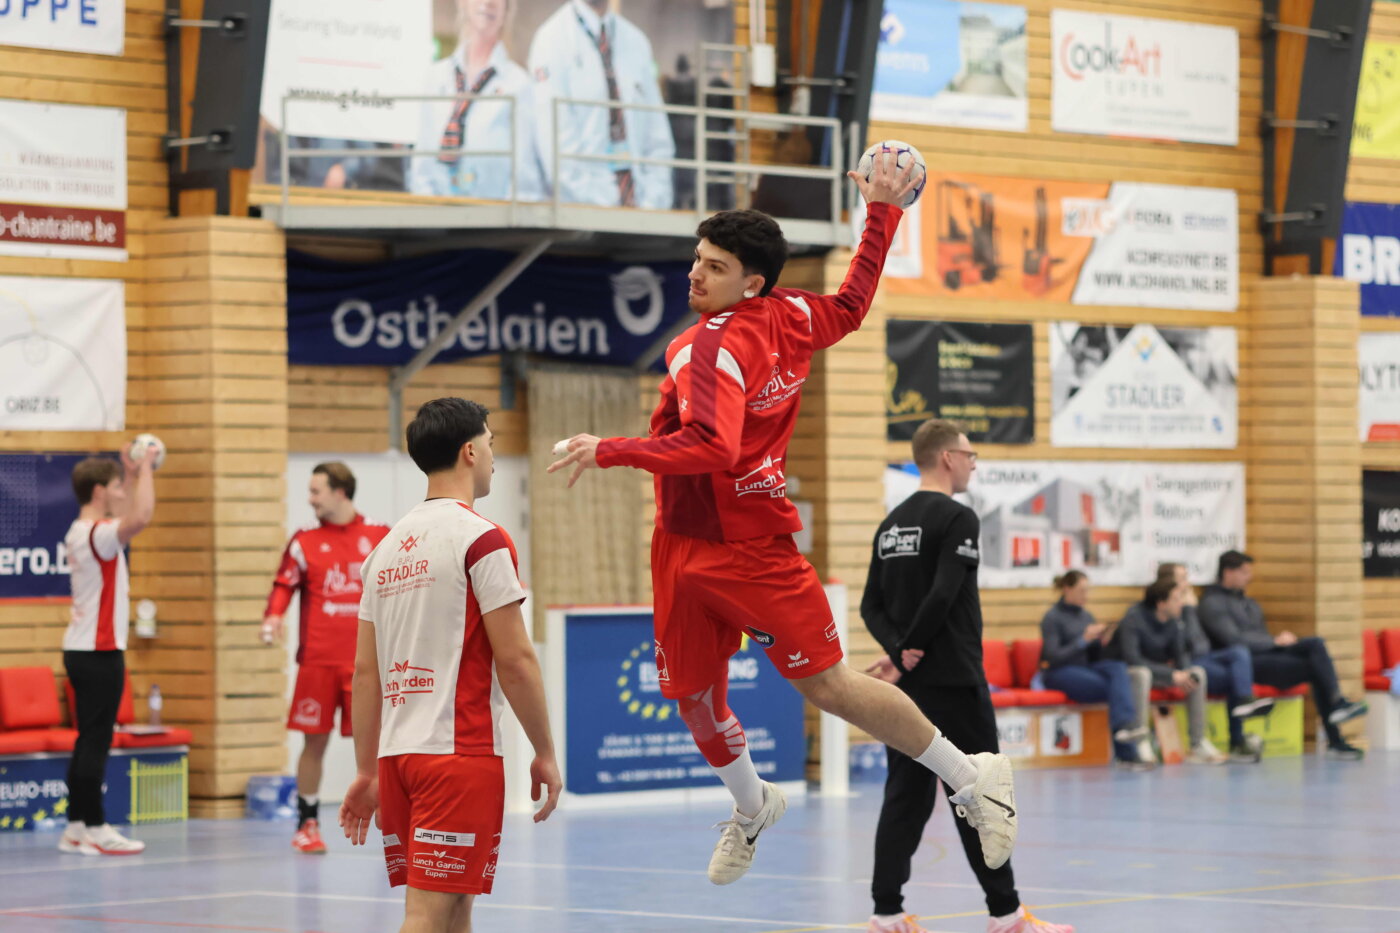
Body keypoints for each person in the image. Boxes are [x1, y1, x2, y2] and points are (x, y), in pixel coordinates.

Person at [549, 153, 1018, 888]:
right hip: (681, 542)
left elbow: (713, 446)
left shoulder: (703, 347)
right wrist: (882, 213)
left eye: (714, 267)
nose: (695, 274)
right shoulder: (790, 314)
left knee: (828, 685)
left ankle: (972, 777)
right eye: (697, 259)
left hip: (750, 547)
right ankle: (752, 804)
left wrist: (609, 449)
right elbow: (852, 305)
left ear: (752, 283)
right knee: (692, 696)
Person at [340, 397, 561, 933]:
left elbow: (365, 674)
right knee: (427, 915)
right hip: (457, 755)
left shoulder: (382, 552)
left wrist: (367, 770)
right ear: (469, 451)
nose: (494, 456)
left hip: (398, 760)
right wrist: (545, 750)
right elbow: (516, 659)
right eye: (490, 443)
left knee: (455, 910)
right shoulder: (482, 539)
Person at [860, 419, 1072, 933]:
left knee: (905, 796)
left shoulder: (891, 525)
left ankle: (885, 913)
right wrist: (910, 651)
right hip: (953, 680)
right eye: (970, 454)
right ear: (947, 457)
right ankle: (1006, 914)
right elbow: (943, 594)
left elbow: (871, 606)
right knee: (982, 794)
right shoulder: (958, 517)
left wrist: (898, 654)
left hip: (907, 689)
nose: (974, 464)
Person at [262, 463, 391, 854]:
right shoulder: (304, 540)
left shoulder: (380, 536)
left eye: (316, 491)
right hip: (317, 661)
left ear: (340, 492)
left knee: (379, 745)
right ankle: (307, 823)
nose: (310, 499)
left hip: (365, 664)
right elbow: (283, 584)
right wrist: (273, 616)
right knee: (313, 743)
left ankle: (389, 817)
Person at [57, 445, 157, 856]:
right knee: (96, 742)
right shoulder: (98, 535)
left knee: (87, 740)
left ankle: (75, 827)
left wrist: (130, 475)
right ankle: (96, 828)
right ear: (99, 491)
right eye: (116, 487)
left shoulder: (80, 531)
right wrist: (147, 468)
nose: (122, 493)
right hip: (99, 653)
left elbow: (127, 512)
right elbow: (141, 517)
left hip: (80, 650)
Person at [1198, 550, 1367, 760]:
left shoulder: (1248, 603)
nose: (1249, 577)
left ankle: (1336, 708)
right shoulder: (1212, 603)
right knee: (1315, 667)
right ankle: (1335, 725)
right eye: (1244, 572)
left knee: (1316, 646)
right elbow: (1234, 640)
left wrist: (1279, 641)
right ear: (1228, 572)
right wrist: (1274, 642)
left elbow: (1259, 635)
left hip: (1267, 654)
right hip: (1245, 664)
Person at [527, 0, 676, 209]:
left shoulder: (636, 42)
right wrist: (603, 203)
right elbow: (555, 146)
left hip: (643, 208)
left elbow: (657, 137)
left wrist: (653, 201)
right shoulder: (551, 39)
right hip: (581, 210)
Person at [409, 0, 546, 201]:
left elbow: (523, 173)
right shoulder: (436, 76)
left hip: (494, 212)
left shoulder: (519, 84)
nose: (488, 3)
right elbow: (422, 162)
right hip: (436, 209)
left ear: (506, 10)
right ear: (462, 3)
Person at [1157, 562, 1273, 763]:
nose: (1187, 583)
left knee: (1239, 652)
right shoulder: (1167, 605)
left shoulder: (1190, 604)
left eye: (1187, 578)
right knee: (1233, 679)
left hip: (1204, 656)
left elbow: (1200, 643)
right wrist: (1187, 609)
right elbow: (1187, 643)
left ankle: (1246, 701)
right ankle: (1236, 740)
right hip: (1186, 662)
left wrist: (1191, 609)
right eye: (1182, 579)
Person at [1038, 571, 1152, 768]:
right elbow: (1052, 657)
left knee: (1118, 668)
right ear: (1067, 589)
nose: (1086, 595)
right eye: (1082, 590)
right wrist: (1083, 640)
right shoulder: (1052, 617)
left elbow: (1095, 657)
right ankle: (1126, 746)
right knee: (1117, 688)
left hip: (1085, 668)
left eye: (1088, 590)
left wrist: (1101, 641)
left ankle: (1124, 728)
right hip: (1059, 672)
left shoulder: (1086, 615)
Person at [1116, 578, 1226, 764]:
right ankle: (1141, 742)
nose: (1181, 603)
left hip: (1158, 673)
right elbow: (1132, 659)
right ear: (1161, 603)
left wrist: (1185, 673)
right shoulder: (1133, 619)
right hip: (1127, 674)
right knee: (1142, 674)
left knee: (1197, 673)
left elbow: (1180, 656)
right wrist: (1171, 675)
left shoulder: (1175, 622)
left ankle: (1197, 743)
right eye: (1176, 599)